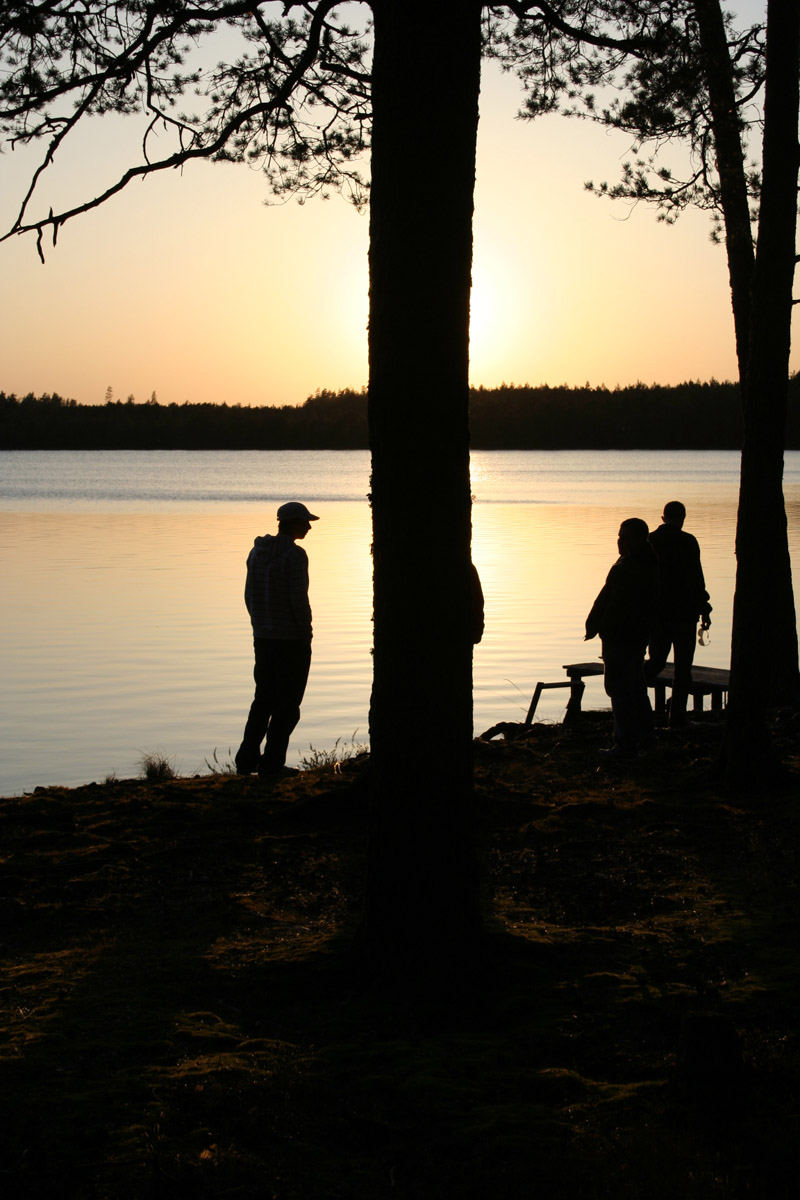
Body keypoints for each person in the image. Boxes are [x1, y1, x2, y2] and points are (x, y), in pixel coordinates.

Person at [235, 501, 319, 777]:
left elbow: (249, 596)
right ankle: (271, 765)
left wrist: (259, 625)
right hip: (291, 641)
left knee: (263, 700)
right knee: (288, 705)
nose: (308, 527)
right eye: (304, 522)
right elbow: (298, 601)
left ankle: (246, 760)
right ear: (292, 523)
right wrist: (306, 635)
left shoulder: (256, 553)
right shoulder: (295, 556)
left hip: (263, 637)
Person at [585, 517, 659, 761]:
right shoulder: (632, 562)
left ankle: (625, 744)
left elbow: (621, 606)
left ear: (638, 540)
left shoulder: (635, 567)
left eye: (624, 537)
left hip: (623, 637)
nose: (620, 541)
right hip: (629, 636)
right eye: (619, 536)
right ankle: (646, 739)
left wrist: (605, 627)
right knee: (635, 688)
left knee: (619, 689)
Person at [644, 501, 712, 728]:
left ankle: (631, 701)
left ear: (663, 517)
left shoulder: (650, 540)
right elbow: (696, 579)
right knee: (683, 668)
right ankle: (678, 718)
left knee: (655, 662)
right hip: (685, 614)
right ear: (683, 517)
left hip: (658, 614)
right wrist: (704, 609)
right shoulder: (688, 542)